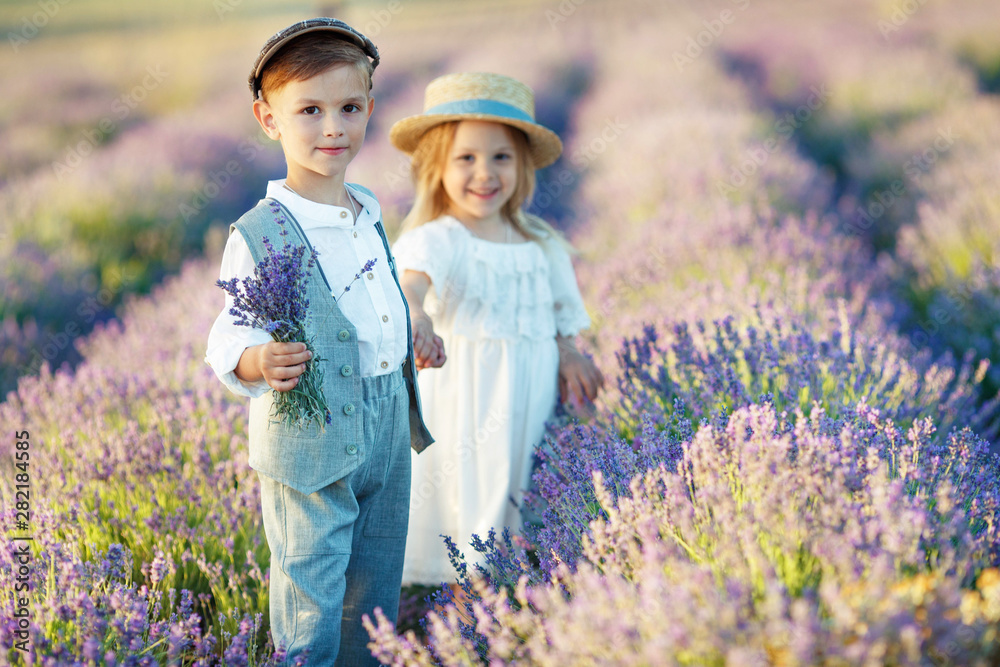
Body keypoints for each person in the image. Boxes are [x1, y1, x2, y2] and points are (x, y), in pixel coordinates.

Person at [204, 18, 438, 665]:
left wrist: (411, 325)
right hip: (310, 434)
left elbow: (376, 296)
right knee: (311, 580)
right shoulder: (259, 230)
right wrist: (257, 359)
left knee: (375, 576)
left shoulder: (365, 207)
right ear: (268, 117)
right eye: (310, 110)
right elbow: (229, 332)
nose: (333, 127)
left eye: (350, 108)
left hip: (387, 420)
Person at [388, 72, 604, 587]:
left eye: (501, 157)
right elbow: (410, 285)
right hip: (466, 401)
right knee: (471, 503)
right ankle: (462, 617)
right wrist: (417, 316)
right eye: (466, 158)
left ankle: (515, 604)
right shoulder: (441, 237)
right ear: (437, 167)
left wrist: (570, 352)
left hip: (530, 399)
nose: (484, 173)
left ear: (522, 166)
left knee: (522, 493)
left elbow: (559, 315)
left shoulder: (540, 242)